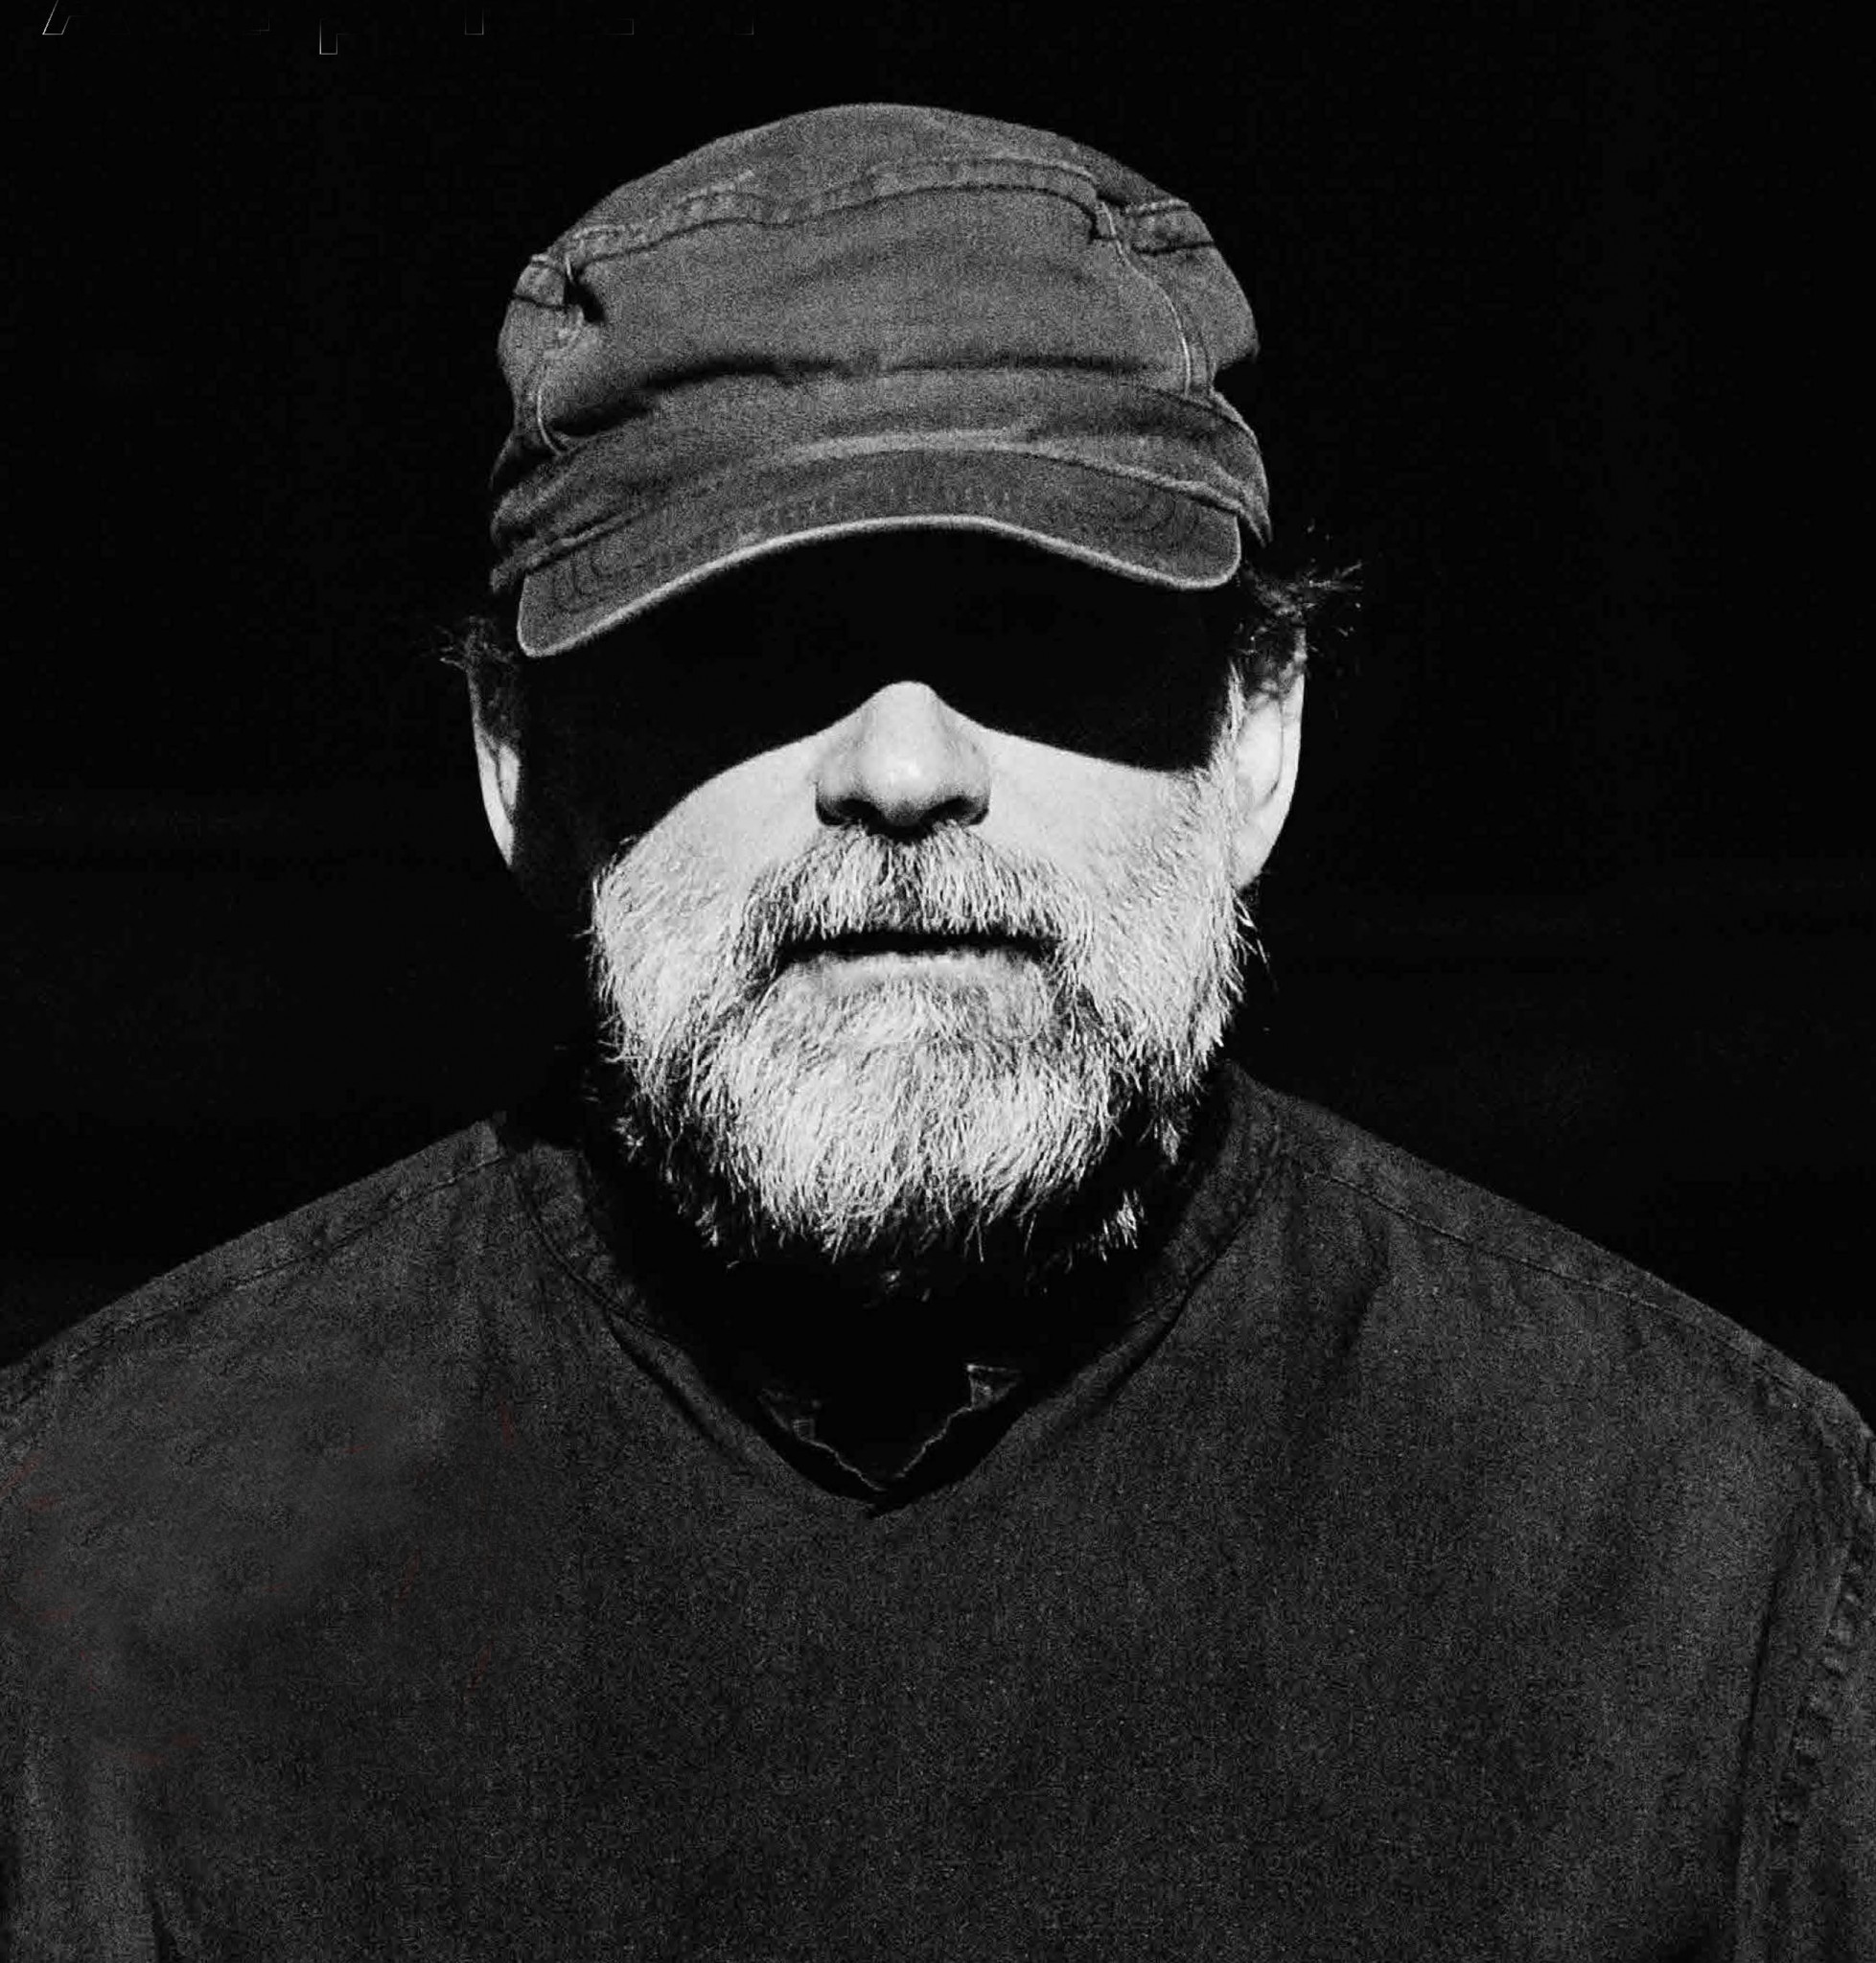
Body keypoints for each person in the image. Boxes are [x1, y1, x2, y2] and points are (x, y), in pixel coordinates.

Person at [1, 102, 1868, 1960]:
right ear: (519, 767)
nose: (901, 768)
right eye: (744, 634)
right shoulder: (98, 1562)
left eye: (1035, 626)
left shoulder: (1702, 1557)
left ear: (1258, 739)